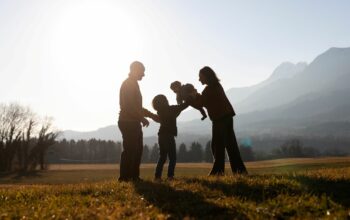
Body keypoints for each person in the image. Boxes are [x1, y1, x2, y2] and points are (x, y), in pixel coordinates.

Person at [194, 66, 247, 175]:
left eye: (200, 77)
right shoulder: (215, 86)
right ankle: (235, 171)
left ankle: (222, 171)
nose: (199, 79)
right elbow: (204, 100)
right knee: (225, 145)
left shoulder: (209, 89)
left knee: (221, 145)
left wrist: (192, 96)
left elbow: (201, 102)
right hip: (224, 117)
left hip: (220, 119)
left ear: (206, 76)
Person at [118, 61, 158, 181]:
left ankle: (134, 176)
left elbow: (137, 107)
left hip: (132, 121)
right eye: (142, 71)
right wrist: (141, 118)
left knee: (137, 150)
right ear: (135, 70)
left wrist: (152, 116)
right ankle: (124, 178)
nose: (144, 75)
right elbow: (128, 106)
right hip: (128, 122)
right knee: (130, 150)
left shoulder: (133, 84)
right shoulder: (129, 84)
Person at [152, 94, 188, 181]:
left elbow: (177, 111)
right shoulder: (171, 109)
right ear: (165, 101)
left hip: (161, 135)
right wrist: (190, 98)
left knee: (162, 157)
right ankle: (170, 176)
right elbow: (182, 106)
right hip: (169, 136)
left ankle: (157, 177)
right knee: (172, 157)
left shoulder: (160, 111)